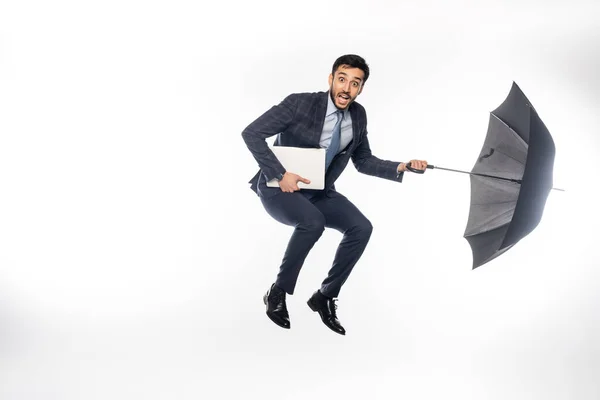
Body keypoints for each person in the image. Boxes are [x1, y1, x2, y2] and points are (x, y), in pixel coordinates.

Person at [242, 54, 427, 335]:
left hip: (319, 191)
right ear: (331, 79)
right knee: (312, 222)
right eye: (342, 80)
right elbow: (252, 133)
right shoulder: (299, 103)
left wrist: (402, 166)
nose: (347, 88)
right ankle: (278, 292)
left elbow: (364, 161)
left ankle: (325, 296)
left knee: (361, 227)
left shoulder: (358, 115)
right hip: (279, 188)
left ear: (361, 88)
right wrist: (280, 174)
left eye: (355, 83)